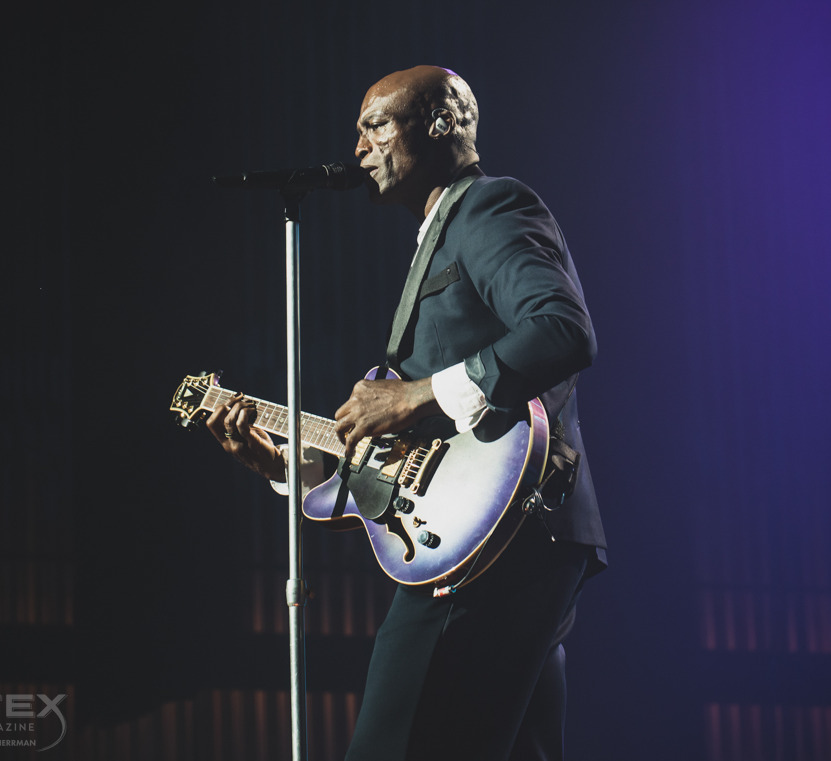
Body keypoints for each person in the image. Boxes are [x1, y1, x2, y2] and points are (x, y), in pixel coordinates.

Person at [207, 66, 606, 761]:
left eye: (377, 124)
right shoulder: (437, 236)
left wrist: (413, 394)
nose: (359, 145)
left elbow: (562, 330)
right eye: (359, 130)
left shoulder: (488, 207)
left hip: (493, 544)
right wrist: (294, 468)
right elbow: (413, 457)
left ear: (443, 121)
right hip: (516, 544)